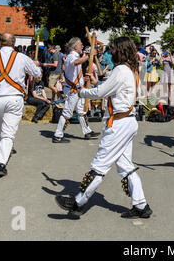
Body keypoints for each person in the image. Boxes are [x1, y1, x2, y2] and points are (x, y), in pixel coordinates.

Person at [55, 37, 152, 218]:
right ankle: (141, 205)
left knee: (100, 164)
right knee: (125, 166)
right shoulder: (132, 70)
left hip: (119, 124)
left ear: (120, 50)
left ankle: (78, 202)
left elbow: (100, 93)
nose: (110, 52)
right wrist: (97, 81)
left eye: (113, 49)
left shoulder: (121, 70)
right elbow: (112, 90)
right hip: (128, 121)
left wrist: (81, 91)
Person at [0, 33, 41, 177]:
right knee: (8, 133)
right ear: (14, 43)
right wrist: (35, 66)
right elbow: (38, 76)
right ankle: (0, 163)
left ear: (0, 43)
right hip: (14, 99)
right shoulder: (23, 58)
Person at [52, 37, 97, 143]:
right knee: (67, 112)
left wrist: (83, 79)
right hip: (72, 90)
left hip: (77, 89)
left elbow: (75, 72)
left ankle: (87, 131)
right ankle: (58, 135)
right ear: (76, 47)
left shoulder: (75, 55)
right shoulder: (71, 57)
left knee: (81, 110)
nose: (82, 46)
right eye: (81, 44)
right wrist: (88, 56)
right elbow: (76, 62)